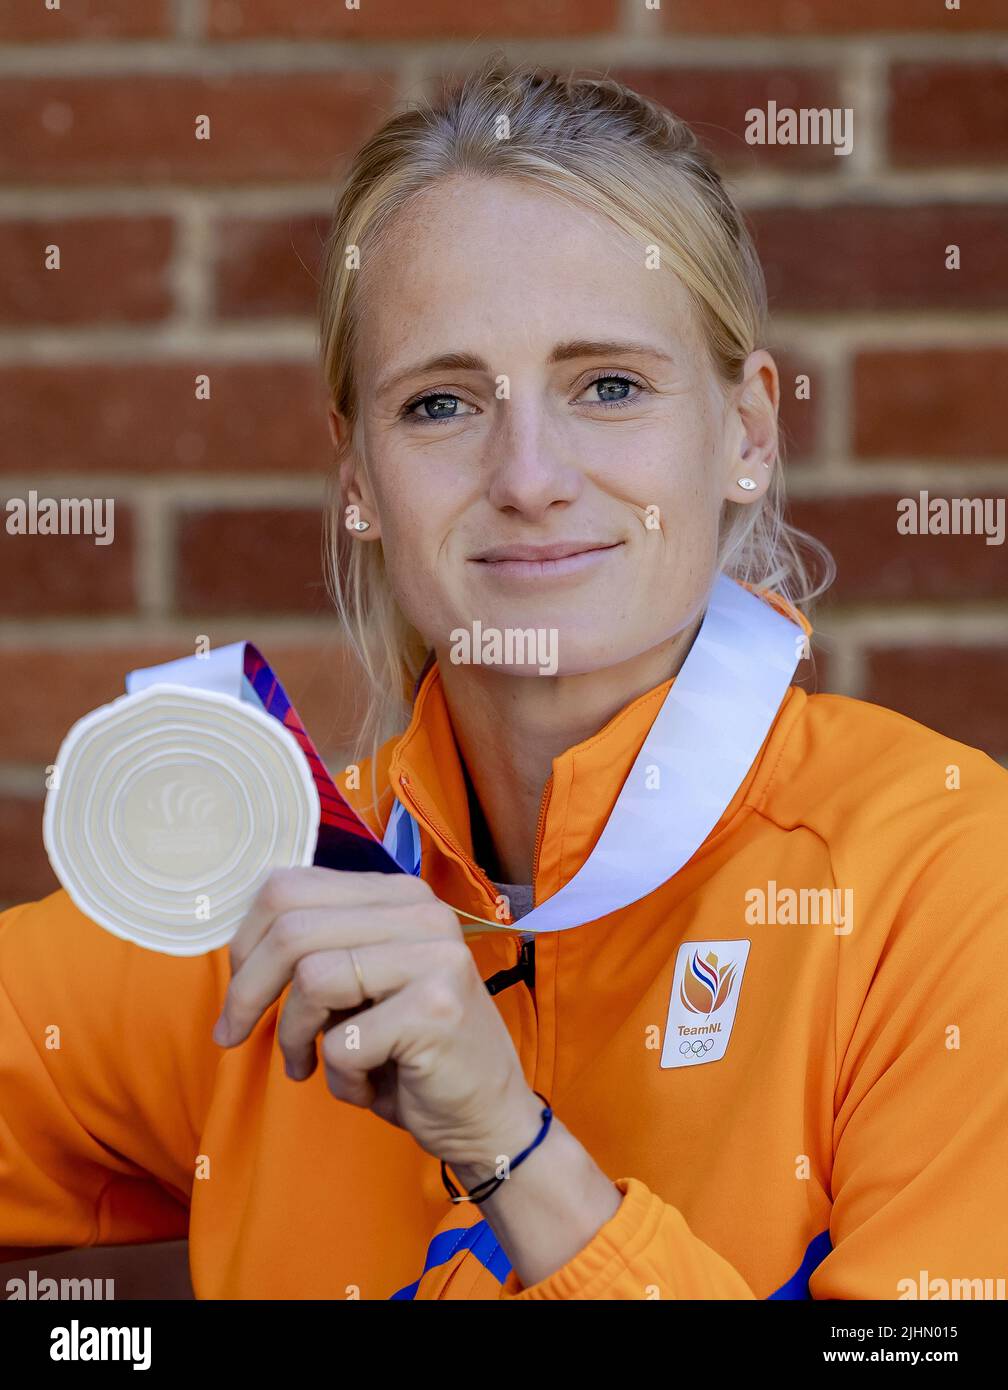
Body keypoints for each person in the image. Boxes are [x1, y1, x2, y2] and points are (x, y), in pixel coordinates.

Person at [1, 59, 1005, 1302]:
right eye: (440, 404)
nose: (530, 476)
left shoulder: (949, 876)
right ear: (358, 477)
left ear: (746, 432)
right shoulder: (268, 895)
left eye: (611, 386)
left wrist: (510, 1147)